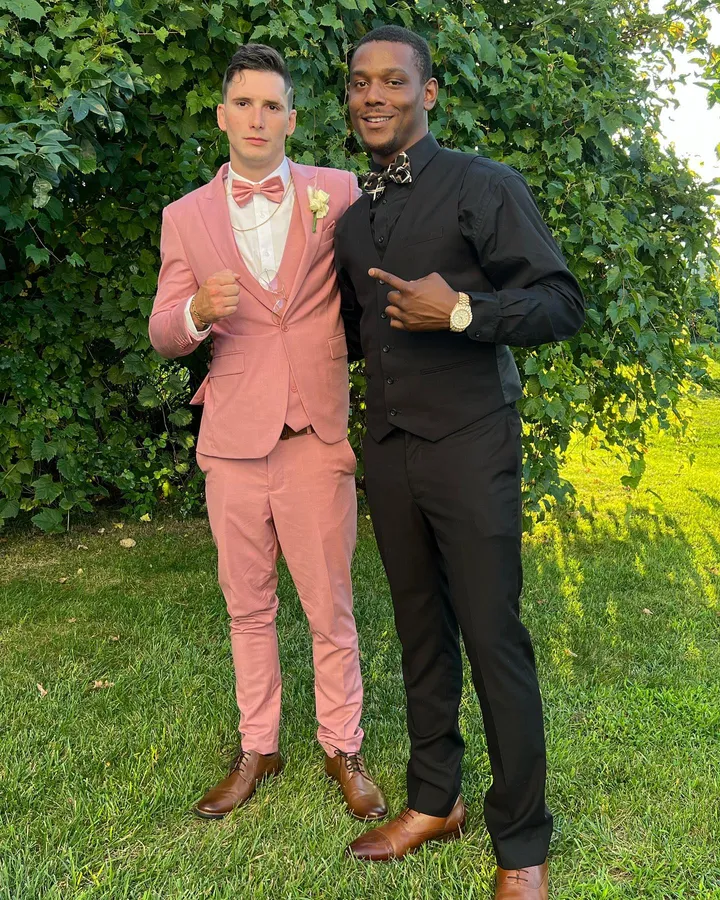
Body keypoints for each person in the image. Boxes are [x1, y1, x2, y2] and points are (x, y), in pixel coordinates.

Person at [335, 25, 584, 899]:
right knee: (420, 633)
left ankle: (522, 843)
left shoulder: (484, 184)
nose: (374, 95)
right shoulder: (353, 219)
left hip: (472, 445)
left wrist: (466, 312)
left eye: (393, 81)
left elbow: (561, 301)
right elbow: (355, 337)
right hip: (390, 450)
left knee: (490, 636)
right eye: (360, 82)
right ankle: (434, 800)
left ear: (428, 93)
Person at [149, 43, 386, 823]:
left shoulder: (338, 190)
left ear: (292, 118)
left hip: (316, 432)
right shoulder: (184, 217)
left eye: (272, 105)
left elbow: (386, 261)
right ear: (223, 116)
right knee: (247, 607)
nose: (258, 118)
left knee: (330, 605)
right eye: (244, 104)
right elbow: (162, 329)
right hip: (233, 441)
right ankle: (259, 746)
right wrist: (195, 313)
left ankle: (342, 745)